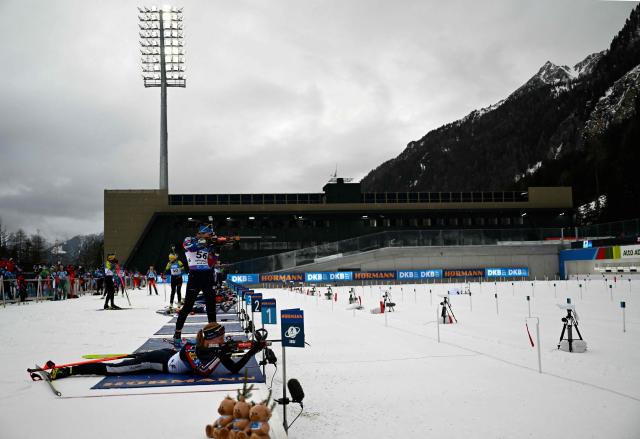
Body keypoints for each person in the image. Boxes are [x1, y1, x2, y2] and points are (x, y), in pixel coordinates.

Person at [47, 323, 264, 380]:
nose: (224, 338)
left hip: (167, 356)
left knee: (121, 364)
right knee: (114, 370)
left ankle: (70, 370)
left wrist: (253, 349)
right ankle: (68, 371)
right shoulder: (192, 349)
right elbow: (204, 371)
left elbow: (234, 368)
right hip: (157, 361)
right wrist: (220, 353)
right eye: (221, 335)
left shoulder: (216, 350)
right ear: (210, 338)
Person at [174, 225, 219, 347]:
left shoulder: (210, 244)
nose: (210, 237)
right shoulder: (189, 239)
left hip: (208, 276)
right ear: (202, 233)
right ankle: (177, 336)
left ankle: (213, 336)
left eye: (210, 235)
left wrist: (216, 249)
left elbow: (212, 261)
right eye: (208, 234)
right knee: (187, 307)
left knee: (211, 306)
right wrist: (205, 243)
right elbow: (191, 248)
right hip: (195, 276)